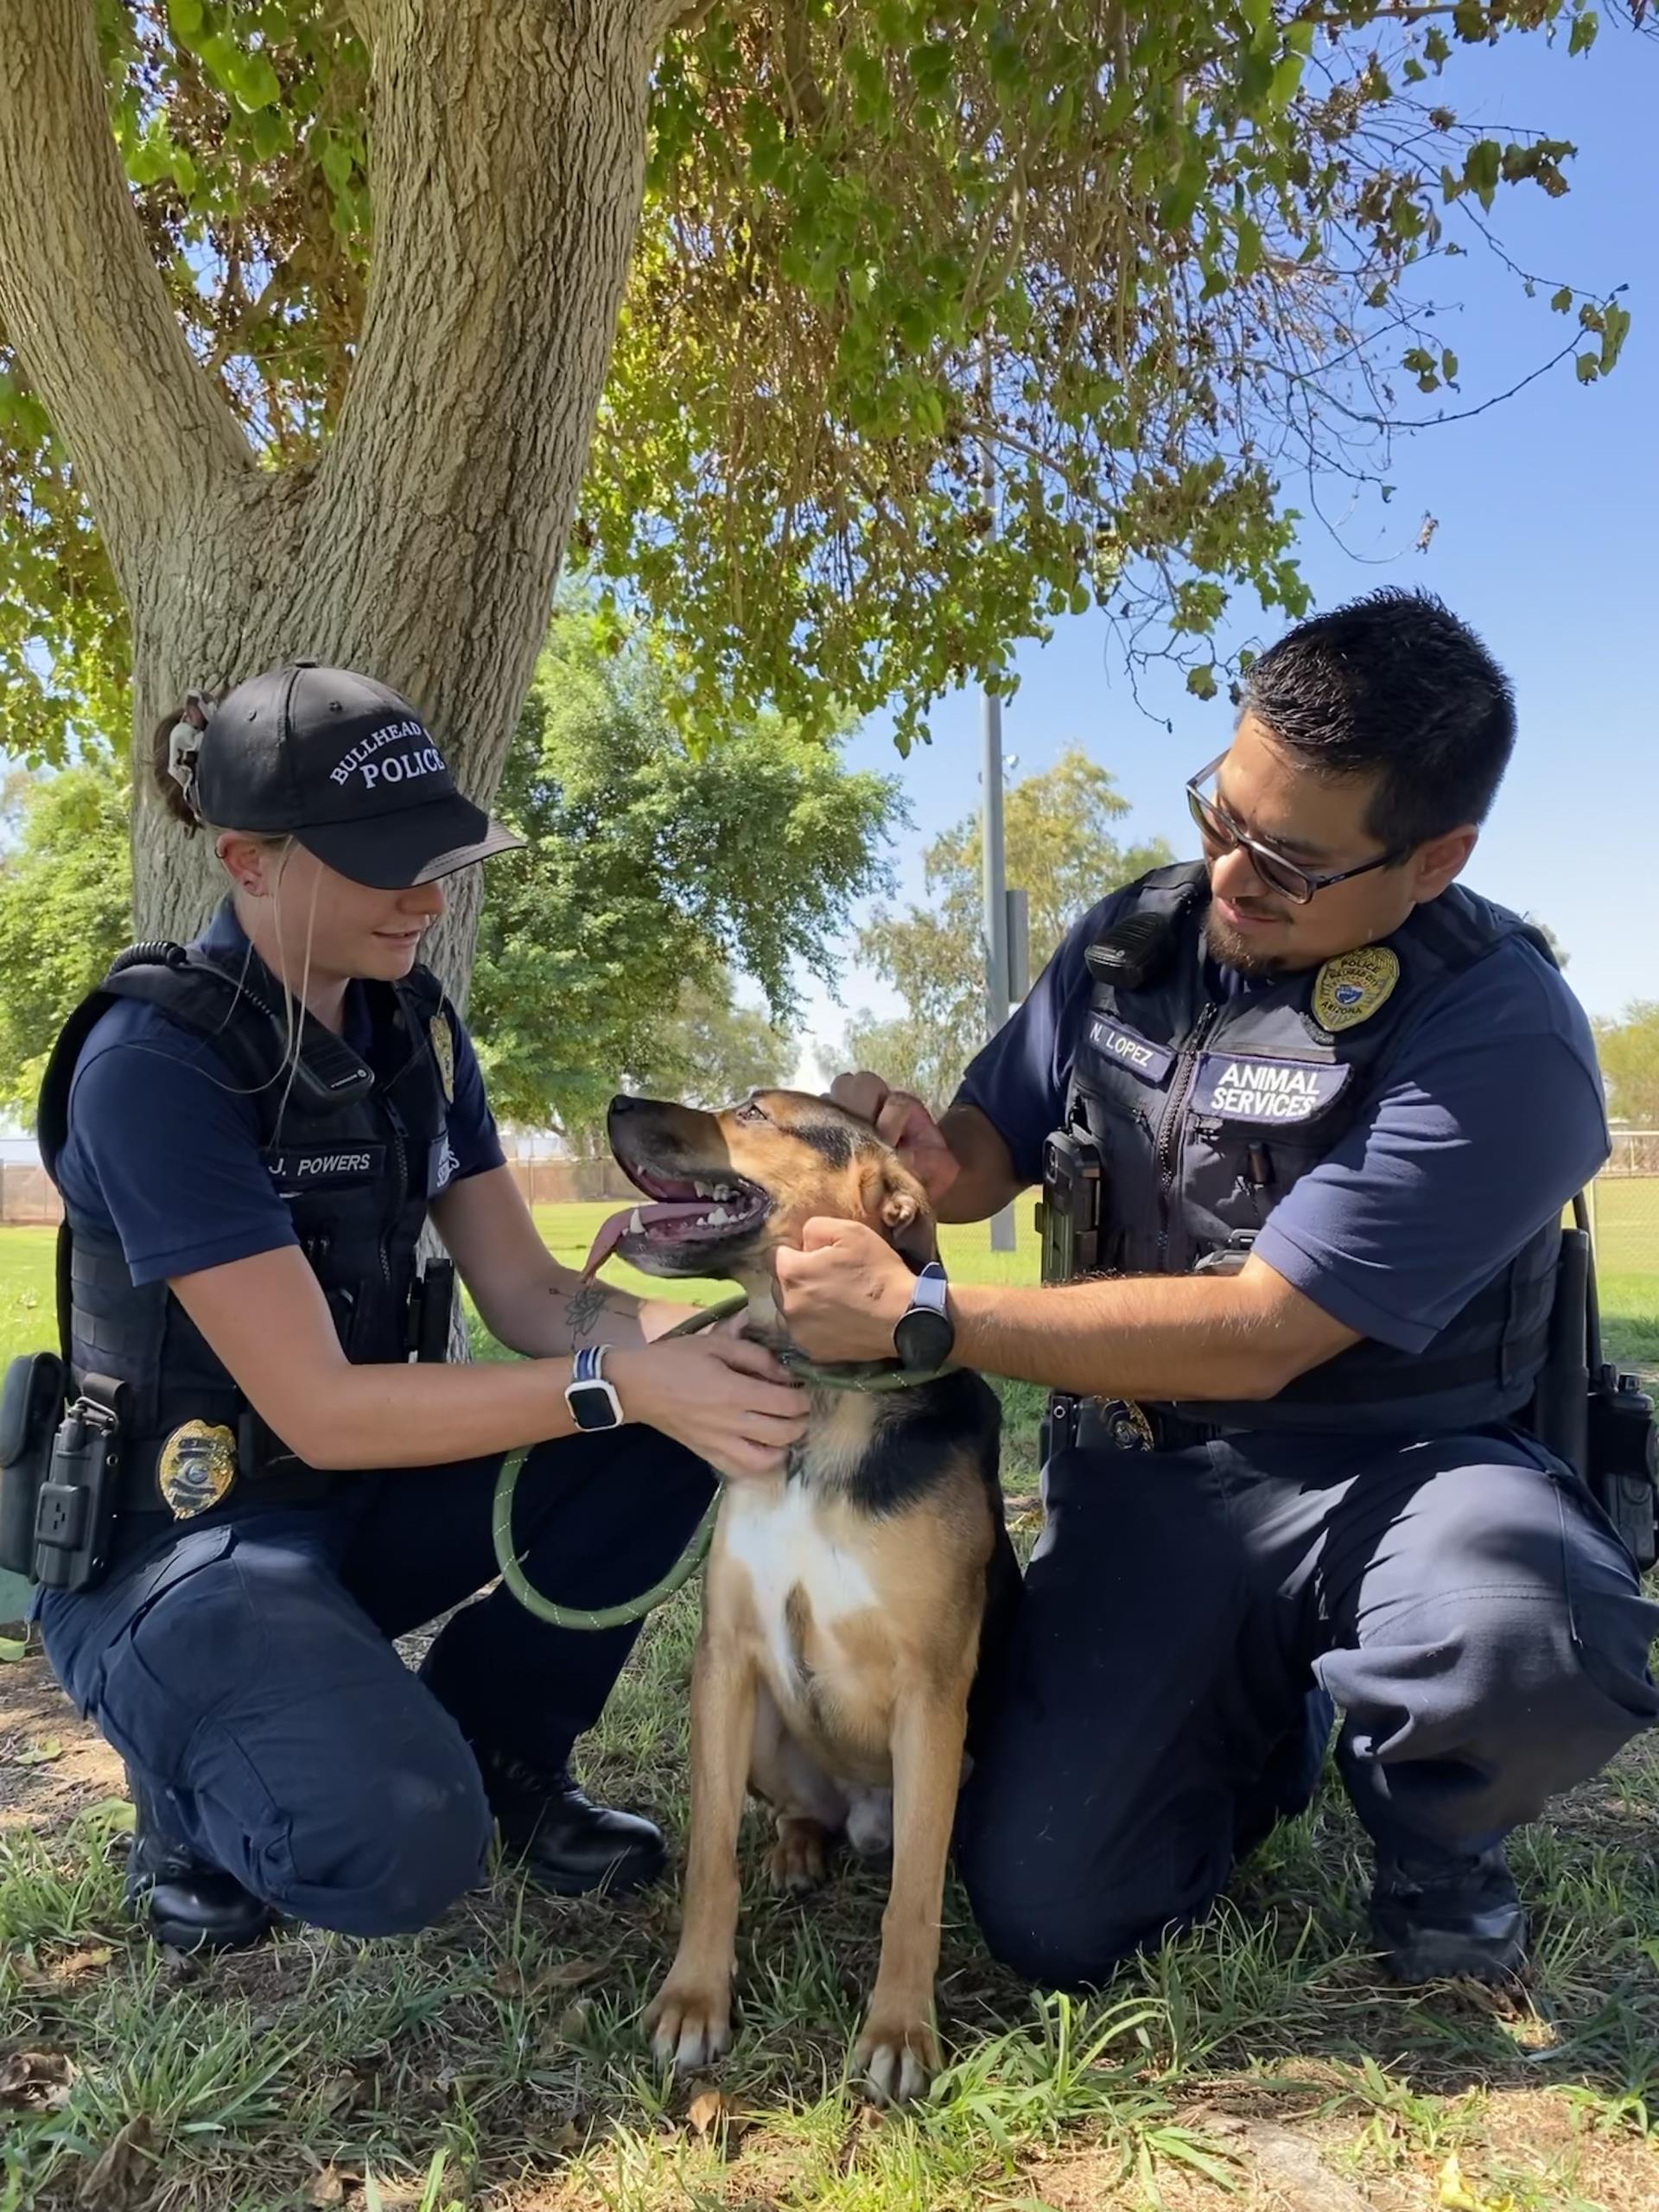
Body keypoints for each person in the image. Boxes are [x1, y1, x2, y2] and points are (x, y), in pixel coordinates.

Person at [775, 588, 1659, 1990]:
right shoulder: (1134, 940)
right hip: (1158, 1480)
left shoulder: (1500, 1027)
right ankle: (1264, 1720)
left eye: (1290, 863)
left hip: (1405, 1478)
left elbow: (1264, 1334)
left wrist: (925, 1319)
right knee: (1053, 1917)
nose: (1232, 876)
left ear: (1436, 859)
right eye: (1220, 816)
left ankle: (1438, 1839)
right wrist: (920, 1163)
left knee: (1523, 1625)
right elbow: (983, 1157)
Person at [29, 660, 808, 1954]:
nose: (426, 893)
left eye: (435, 854)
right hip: (174, 1544)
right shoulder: (154, 1067)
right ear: (249, 861)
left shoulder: (418, 1034)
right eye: (383, 860)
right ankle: (185, 1790)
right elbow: (321, 1408)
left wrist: (738, 1344)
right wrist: (619, 1380)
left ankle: (509, 1749)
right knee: (394, 1844)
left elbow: (530, 1295)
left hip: (354, 1503)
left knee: (683, 1420)